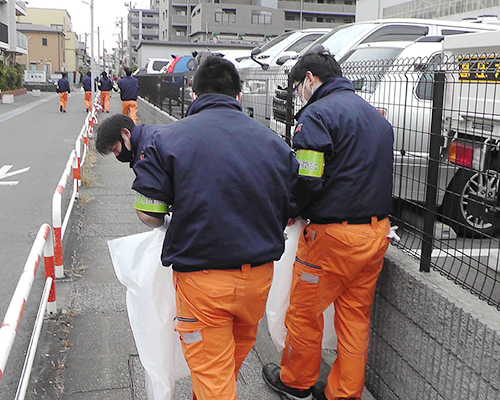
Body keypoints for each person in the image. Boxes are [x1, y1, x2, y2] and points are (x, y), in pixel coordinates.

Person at [131, 55, 298, 400]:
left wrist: (171, 218)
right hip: (257, 279)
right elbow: (291, 207)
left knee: (213, 376)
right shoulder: (274, 145)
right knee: (226, 368)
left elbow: (148, 211)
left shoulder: (168, 139)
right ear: (238, 96)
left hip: (203, 282)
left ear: (194, 94)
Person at [262, 47, 394, 400]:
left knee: (305, 313)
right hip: (376, 233)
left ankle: (296, 382)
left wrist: (290, 209)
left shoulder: (316, 116)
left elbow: (307, 178)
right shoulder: (376, 117)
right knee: (354, 319)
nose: (298, 96)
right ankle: (344, 393)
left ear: (309, 79)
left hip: (332, 239)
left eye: (297, 88)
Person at [94, 114, 163, 168]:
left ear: (126, 133)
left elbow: (147, 184)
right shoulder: (151, 133)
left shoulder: (145, 155)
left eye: (115, 149)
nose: (116, 154)